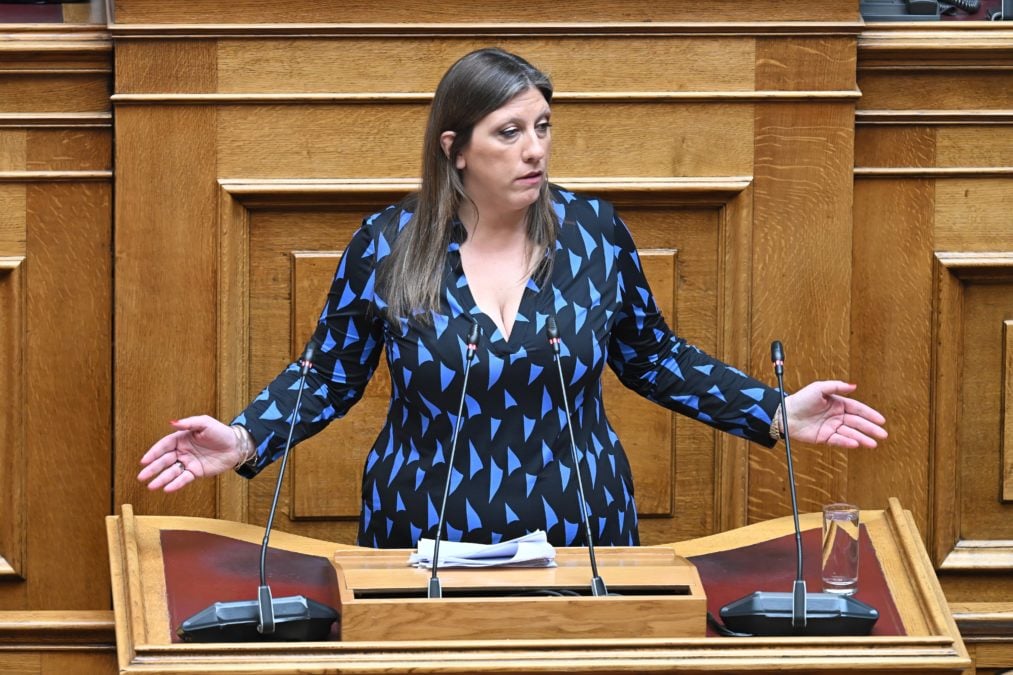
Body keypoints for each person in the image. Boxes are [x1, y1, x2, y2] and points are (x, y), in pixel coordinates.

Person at [138, 48, 887, 548]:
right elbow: (329, 374)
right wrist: (244, 438)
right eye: (509, 132)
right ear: (455, 149)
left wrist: (774, 411)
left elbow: (652, 356)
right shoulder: (388, 242)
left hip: (580, 523)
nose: (535, 149)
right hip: (421, 526)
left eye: (543, 127)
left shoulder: (592, 233)